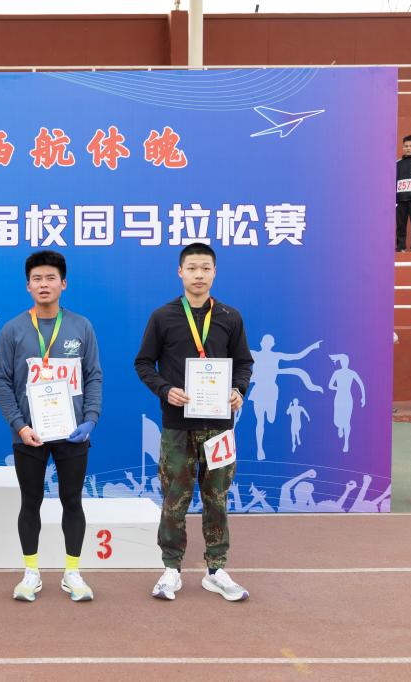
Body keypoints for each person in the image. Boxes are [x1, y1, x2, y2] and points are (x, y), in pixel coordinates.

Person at [134, 243, 254, 602]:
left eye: (205, 268)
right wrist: (165, 389)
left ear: (214, 272)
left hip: (219, 428)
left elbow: (243, 363)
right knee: (175, 498)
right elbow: (143, 363)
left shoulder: (230, 317)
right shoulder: (163, 317)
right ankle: (171, 569)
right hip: (177, 426)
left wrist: (239, 389)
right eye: (192, 268)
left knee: (217, 498)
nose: (198, 275)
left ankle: (216, 570)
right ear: (180, 272)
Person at [0, 250, 102, 603]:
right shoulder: (12, 329)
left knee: (72, 501)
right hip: (29, 435)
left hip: (72, 433)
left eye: (50, 278)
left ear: (63, 283)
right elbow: (2, 382)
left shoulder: (81, 326)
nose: (44, 284)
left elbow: (93, 375)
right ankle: (31, 573)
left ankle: (73, 573)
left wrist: (90, 419)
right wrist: (19, 426)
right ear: (28, 286)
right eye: (37, 279)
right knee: (31, 501)